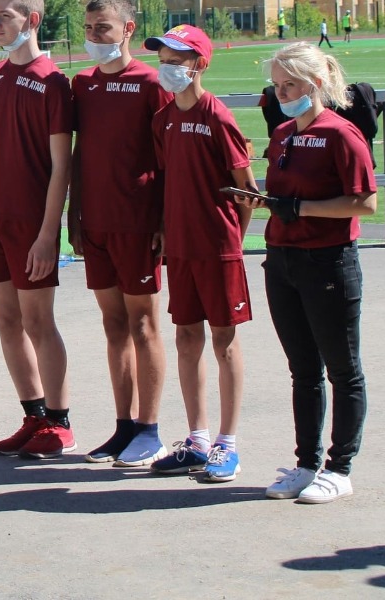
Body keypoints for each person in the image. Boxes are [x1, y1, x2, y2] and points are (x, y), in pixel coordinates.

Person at [253, 43, 376, 504]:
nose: (282, 93)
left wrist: (300, 207)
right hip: (282, 259)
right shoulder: (283, 132)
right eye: (278, 85)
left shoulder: (342, 134)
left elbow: (365, 202)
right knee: (302, 370)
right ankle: (306, 463)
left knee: (343, 370)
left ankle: (340, 466)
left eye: (291, 85)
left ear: (317, 83)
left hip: (328, 261)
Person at [0, 0, 77, 460]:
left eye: (5, 17)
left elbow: (61, 165)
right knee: (6, 320)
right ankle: (32, 415)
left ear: (31, 20)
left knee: (38, 322)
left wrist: (49, 233)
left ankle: (60, 420)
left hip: (30, 222)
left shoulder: (53, 81)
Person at [147, 25, 257, 483]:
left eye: (178, 59)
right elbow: (166, 179)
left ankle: (227, 446)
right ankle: (197, 439)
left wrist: (231, 241)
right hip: (182, 249)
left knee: (223, 341)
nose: (168, 67)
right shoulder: (164, 119)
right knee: (186, 338)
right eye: (164, 58)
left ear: (199, 65)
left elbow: (247, 192)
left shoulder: (219, 117)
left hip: (217, 249)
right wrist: (165, 230)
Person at [68, 0, 171, 466]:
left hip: (138, 225)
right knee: (113, 327)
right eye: (89, 28)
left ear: (128, 29)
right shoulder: (82, 84)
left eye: (103, 28)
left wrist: (164, 222)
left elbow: (170, 159)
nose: (94, 37)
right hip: (96, 223)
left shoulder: (151, 84)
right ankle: (124, 426)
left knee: (144, 324)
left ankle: (150, 430)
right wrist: (74, 215)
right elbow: (77, 154)